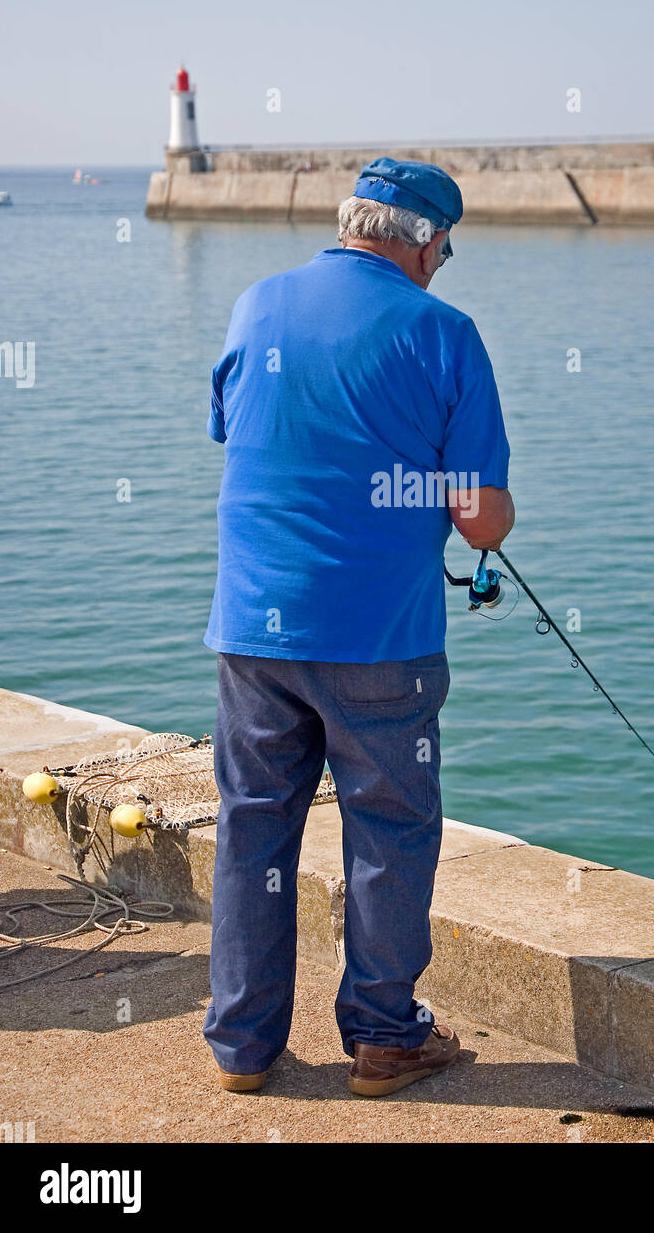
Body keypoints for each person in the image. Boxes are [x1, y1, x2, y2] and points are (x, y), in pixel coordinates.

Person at [202, 157, 514, 1096]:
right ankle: (384, 1038)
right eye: (445, 250)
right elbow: (481, 515)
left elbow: (235, 425)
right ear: (423, 239)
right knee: (388, 828)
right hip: (380, 638)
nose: (442, 267)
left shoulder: (257, 303)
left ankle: (242, 1050)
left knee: (252, 830)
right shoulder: (443, 331)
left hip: (252, 633)